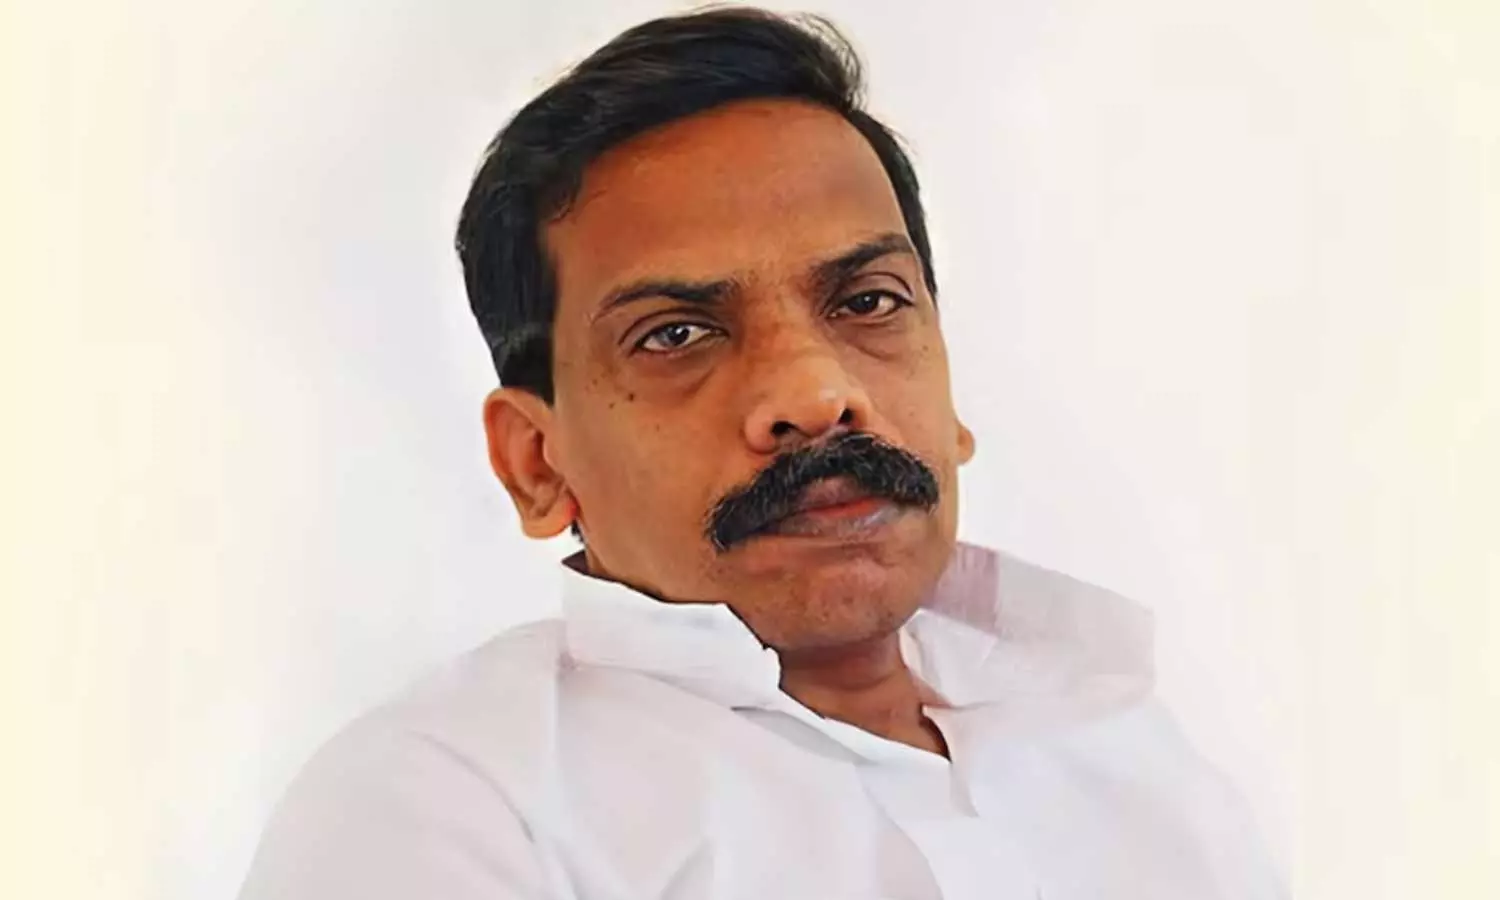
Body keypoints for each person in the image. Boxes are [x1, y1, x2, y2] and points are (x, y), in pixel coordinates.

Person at [239, 8, 1283, 899]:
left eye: (867, 303)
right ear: (538, 465)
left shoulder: (1121, 747)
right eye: (676, 334)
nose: (816, 394)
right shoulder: (448, 808)